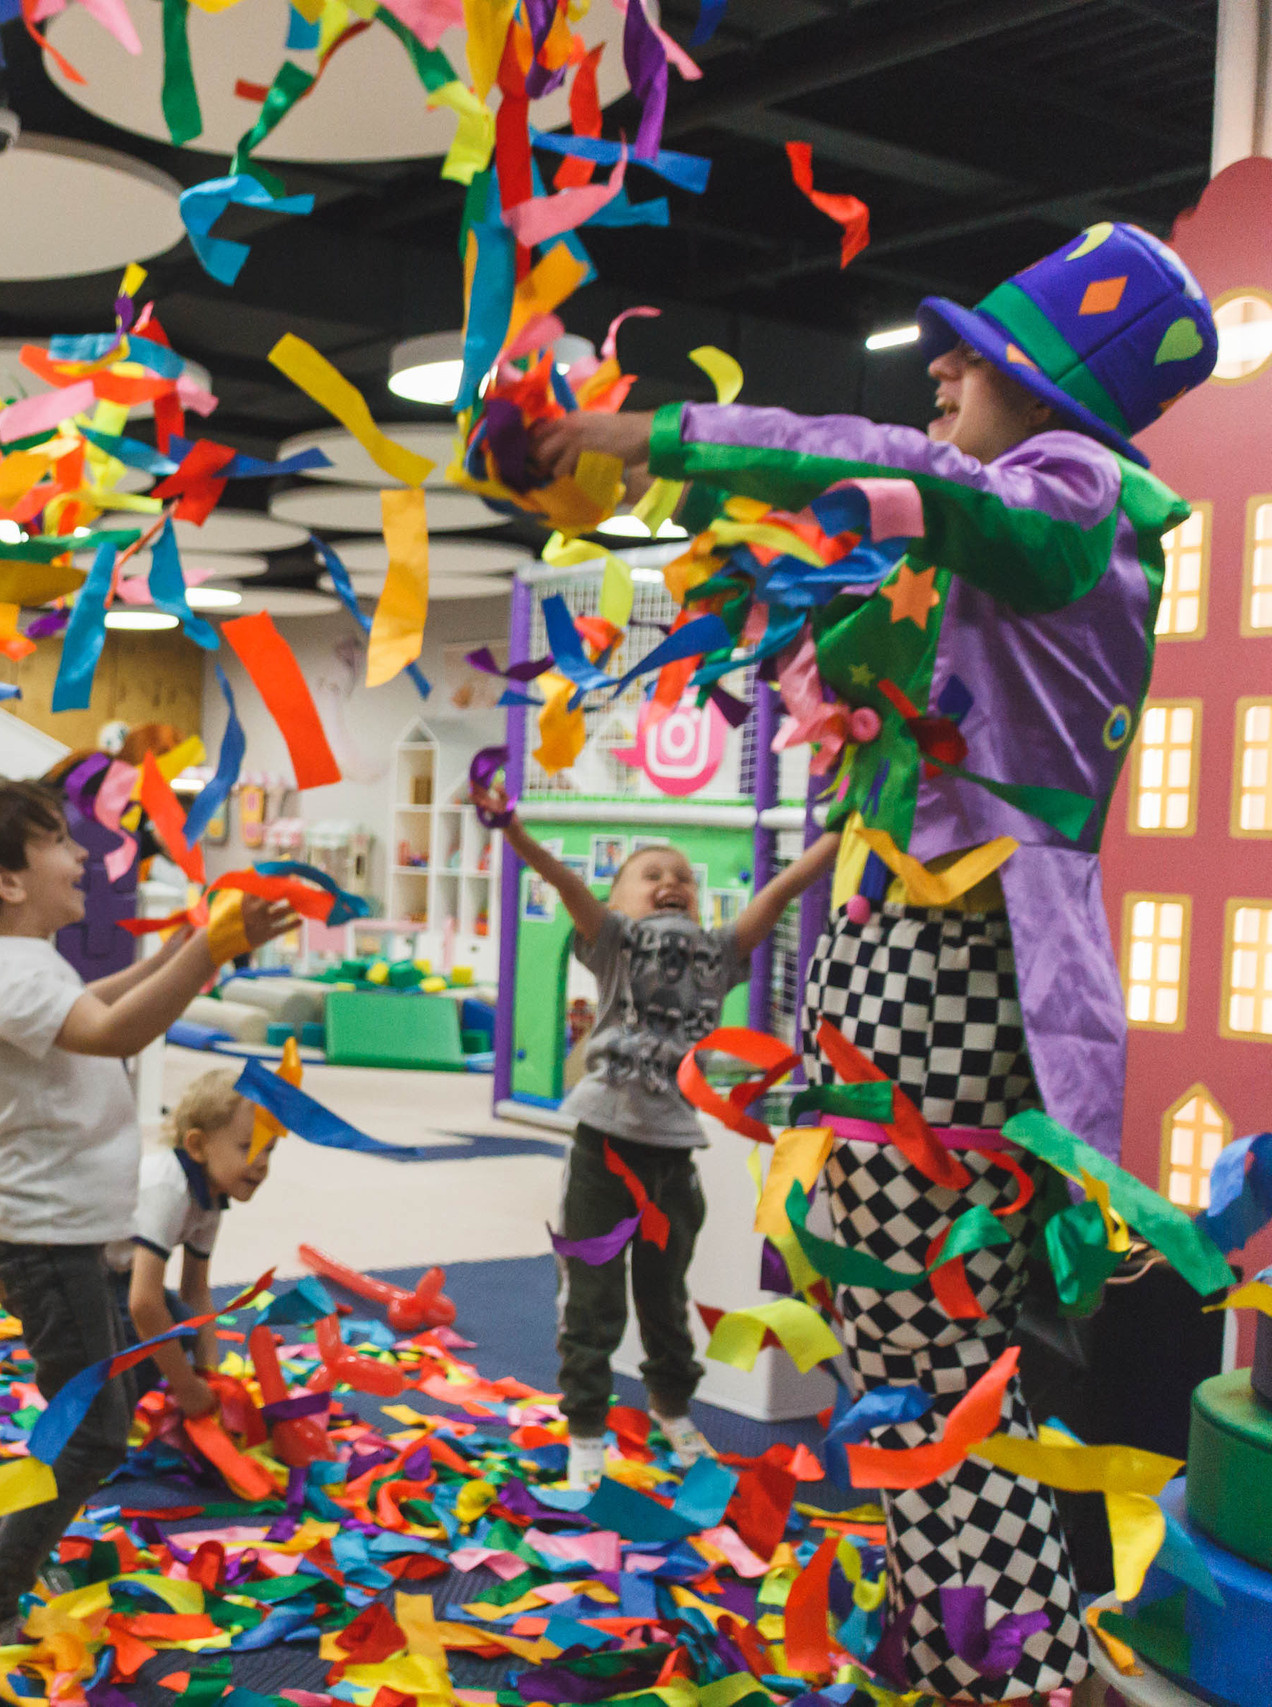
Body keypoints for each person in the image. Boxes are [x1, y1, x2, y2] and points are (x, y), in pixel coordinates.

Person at [528, 223, 1215, 1700]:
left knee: (930, 1358)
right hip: (892, 954)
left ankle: (1022, 1674)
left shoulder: (1071, 499)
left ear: (1060, 393)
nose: (944, 367)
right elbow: (850, 654)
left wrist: (659, 438)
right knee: (887, 1334)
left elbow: (909, 479)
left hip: (954, 963)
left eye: (981, 355)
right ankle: (959, 1647)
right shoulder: (985, 555)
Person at [0, 781, 292, 1642]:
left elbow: (98, 1005)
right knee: (94, 1433)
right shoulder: (4, 973)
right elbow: (113, 1032)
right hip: (45, 1244)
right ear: (6, 881)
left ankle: (14, 1535)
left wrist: (177, 952)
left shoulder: (20, 961)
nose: (84, 856)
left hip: (71, 1236)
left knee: (116, 1384)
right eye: (60, 842)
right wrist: (205, 951)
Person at [487, 792, 837, 1489]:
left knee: (665, 1294)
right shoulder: (616, 943)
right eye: (651, 874)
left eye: (683, 877)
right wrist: (514, 830)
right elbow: (564, 883)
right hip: (603, 1146)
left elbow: (780, 892)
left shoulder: (716, 954)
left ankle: (672, 1407)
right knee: (591, 1297)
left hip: (673, 1155)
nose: (672, 881)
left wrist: (841, 832)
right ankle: (586, 1427)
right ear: (619, 902)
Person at [110, 1069, 269, 1419]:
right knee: (161, 1332)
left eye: (268, 1150)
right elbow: (144, 1304)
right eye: (248, 1147)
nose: (261, 1164)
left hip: (117, 1275)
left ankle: (116, 1407)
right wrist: (186, 1387)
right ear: (197, 1146)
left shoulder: (211, 1197)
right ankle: (106, 1418)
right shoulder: (169, 1189)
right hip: (73, 1272)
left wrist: (211, 1377)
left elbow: (195, 1291)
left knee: (182, 1325)